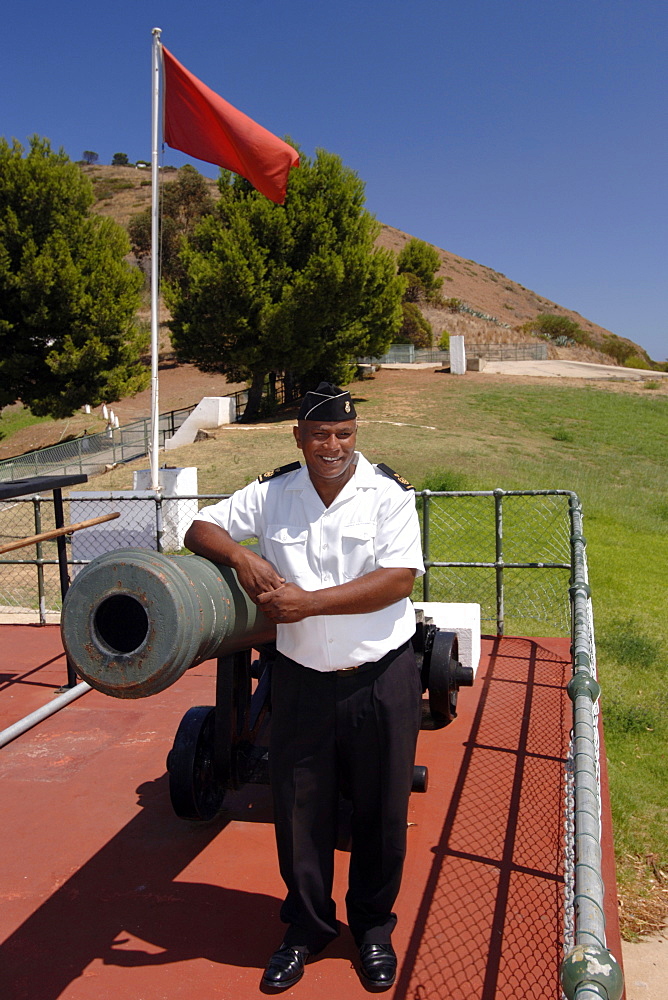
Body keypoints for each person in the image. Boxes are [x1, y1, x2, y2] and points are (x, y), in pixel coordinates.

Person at [183, 382, 424, 990]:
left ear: (355, 436)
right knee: (299, 811)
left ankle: (371, 929)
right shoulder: (273, 494)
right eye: (320, 434)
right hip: (299, 681)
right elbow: (198, 527)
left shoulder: (387, 496)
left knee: (381, 813)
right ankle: (307, 927)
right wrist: (243, 558)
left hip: (378, 677)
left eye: (343, 434)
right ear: (298, 436)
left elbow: (398, 580)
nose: (333, 445)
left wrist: (309, 603)